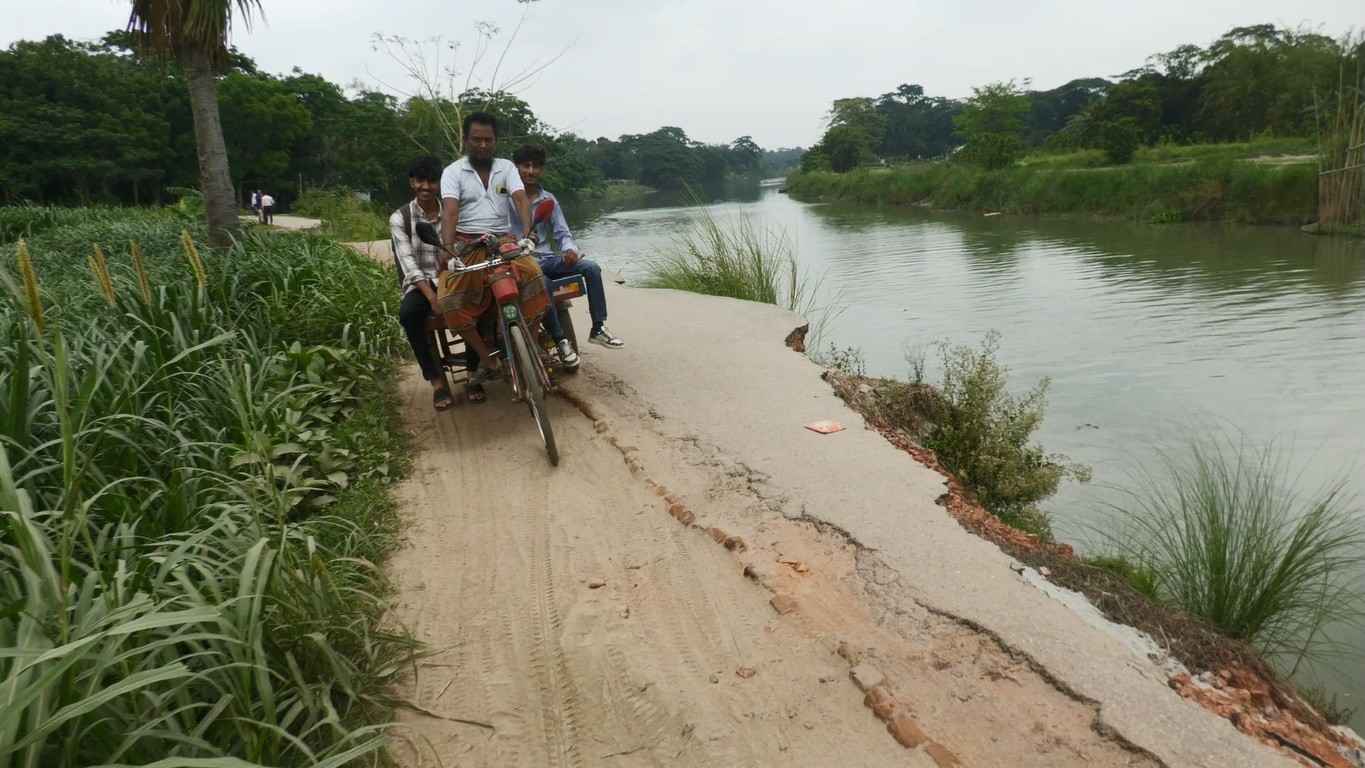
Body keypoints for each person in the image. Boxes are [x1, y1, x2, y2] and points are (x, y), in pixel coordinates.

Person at [437, 111, 553, 403]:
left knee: (535, 277)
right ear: (466, 140)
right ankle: (487, 359)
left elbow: (520, 199)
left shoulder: (506, 168)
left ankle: (534, 341)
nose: (483, 145)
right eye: (477, 139)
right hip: (467, 244)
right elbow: (450, 211)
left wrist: (527, 233)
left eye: (489, 140)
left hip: (504, 241)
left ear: (496, 141)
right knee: (449, 302)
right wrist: (448, 249)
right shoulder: (452, 172)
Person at [510, 144, 624, 349]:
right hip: (520, 264)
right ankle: (561, 340)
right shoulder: (506, 200)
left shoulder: (549, 199)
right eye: (525, 166)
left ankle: (598, 327)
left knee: (591, 268)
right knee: (540, 281)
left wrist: (570, 249)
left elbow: (563, 233)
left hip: (547, 258)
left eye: (536, 166)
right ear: (515, 168)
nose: (530, 171)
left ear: (542, 170)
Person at [391, 156, 457, 411]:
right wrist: (432, 297)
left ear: (440, 184)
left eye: (432, 181)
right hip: (420, 283)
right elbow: (407, 262)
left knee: (479, 300)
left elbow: (458, 250)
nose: (426, 187)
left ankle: (475, 373)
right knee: (408, 315)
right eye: (421, 181)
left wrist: (448, 277)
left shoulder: (451, 211)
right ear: (412, 183)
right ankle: (436, 381)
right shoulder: (400, 217)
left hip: (449, 277)